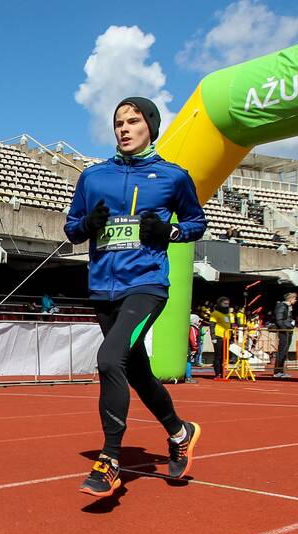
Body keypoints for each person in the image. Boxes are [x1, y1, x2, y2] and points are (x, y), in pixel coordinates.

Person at [63, 96, 206, 497]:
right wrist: (87, 224)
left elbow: (196, 222)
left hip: (146, 284)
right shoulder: (93, 177)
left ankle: (110, 460)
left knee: (109, 359)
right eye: (119, 123)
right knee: (137, 371)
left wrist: (170, 233)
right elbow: (71, 228)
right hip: (102, 287)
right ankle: (180, 432)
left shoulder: (173, 177)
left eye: (133, 121)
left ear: (151, 128)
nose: (124, 129)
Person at [271, 292, 297, 379]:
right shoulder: (282, 306)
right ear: (290, 299)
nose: (296, 300)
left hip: (287, 330)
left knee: (284, 351)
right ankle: (278, 371)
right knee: (282, 351)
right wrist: (284, 328)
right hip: (284, 331)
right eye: (294, 299)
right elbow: (279, 319)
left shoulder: (287, 307)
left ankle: (280, 371)